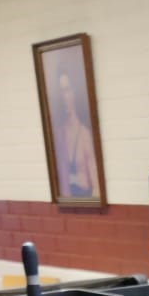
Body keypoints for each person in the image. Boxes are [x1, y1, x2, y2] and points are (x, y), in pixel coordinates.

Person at [52, 69, 98, 199]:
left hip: (87, 198)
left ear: (73, 92)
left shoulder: (85, 135)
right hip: (69, 201)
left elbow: (97, 186)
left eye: (66, 90)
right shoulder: (59, 135)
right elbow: (63, 183)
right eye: (60, 92)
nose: (63, 97)